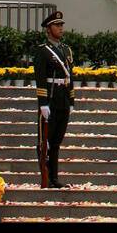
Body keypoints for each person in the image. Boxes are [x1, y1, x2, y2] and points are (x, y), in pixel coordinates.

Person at [33, 10, 75, 189]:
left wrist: (71, 100)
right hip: (50, 99)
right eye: (57, 25)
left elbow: (70, 76)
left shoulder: (66, 50)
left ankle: (55, 178)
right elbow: (40, 78)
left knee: (57, 141)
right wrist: (43, 103)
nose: (61, 28)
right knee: (46, 141)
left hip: (63, 99)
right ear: (48, 29)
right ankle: (46, 176)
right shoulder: (43, 51)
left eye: (61, 25)